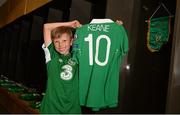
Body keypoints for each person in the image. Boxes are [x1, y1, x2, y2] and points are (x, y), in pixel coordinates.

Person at [40, 20, 82, 114]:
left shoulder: (77, 57)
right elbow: (46, 27)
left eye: (64, 40)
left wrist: (113, 28)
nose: (61, 45)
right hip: (51, 109)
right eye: (56, 41)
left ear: (71, 41)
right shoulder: (51, 55)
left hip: (72, 109)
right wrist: (70, 24)